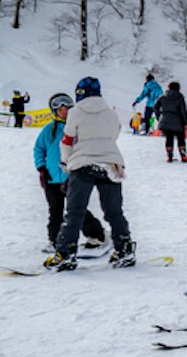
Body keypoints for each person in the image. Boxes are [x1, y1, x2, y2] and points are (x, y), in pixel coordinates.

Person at [44, 77, 135, 271]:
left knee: (75, 212)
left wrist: (66, 162)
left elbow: (67, 140)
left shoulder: (76, 111)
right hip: (111, 163)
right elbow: (115, 134)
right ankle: (125, 249)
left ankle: (65, 253)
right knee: (114, 211)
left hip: (83, 163)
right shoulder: (110, 112)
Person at [33, 91, 107, 253]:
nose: (64, 112)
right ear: (54, 111)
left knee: (77, 209)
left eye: (67, 108)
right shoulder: (48, 130)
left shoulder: (77, 128)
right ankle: (55, 240)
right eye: (60, 109)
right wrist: (41, 168)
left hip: (73, 176)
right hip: (52, 178)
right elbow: (39, 149)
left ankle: (97, 235)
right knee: (55, 211)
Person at [154, 81, 187, 163]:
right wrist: (186, 122)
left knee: (169, 139)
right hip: (178, 122)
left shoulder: (163, 97)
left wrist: (159, 116)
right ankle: (183, 156)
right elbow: (183, 111)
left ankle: (170, 156)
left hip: (166, 121)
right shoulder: (179, 97)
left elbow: (156, 107)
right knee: (181, 139)